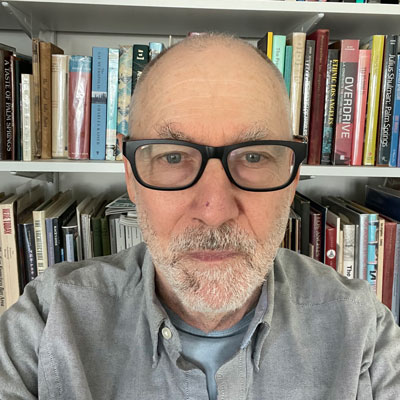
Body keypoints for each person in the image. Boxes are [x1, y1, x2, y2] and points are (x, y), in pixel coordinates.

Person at [0, 33, 399, 400]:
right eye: (173, 157)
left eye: (254, 157)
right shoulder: (46, 322)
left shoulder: (364, 333)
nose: (215, 211)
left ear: (292, 175)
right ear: (131, 177)